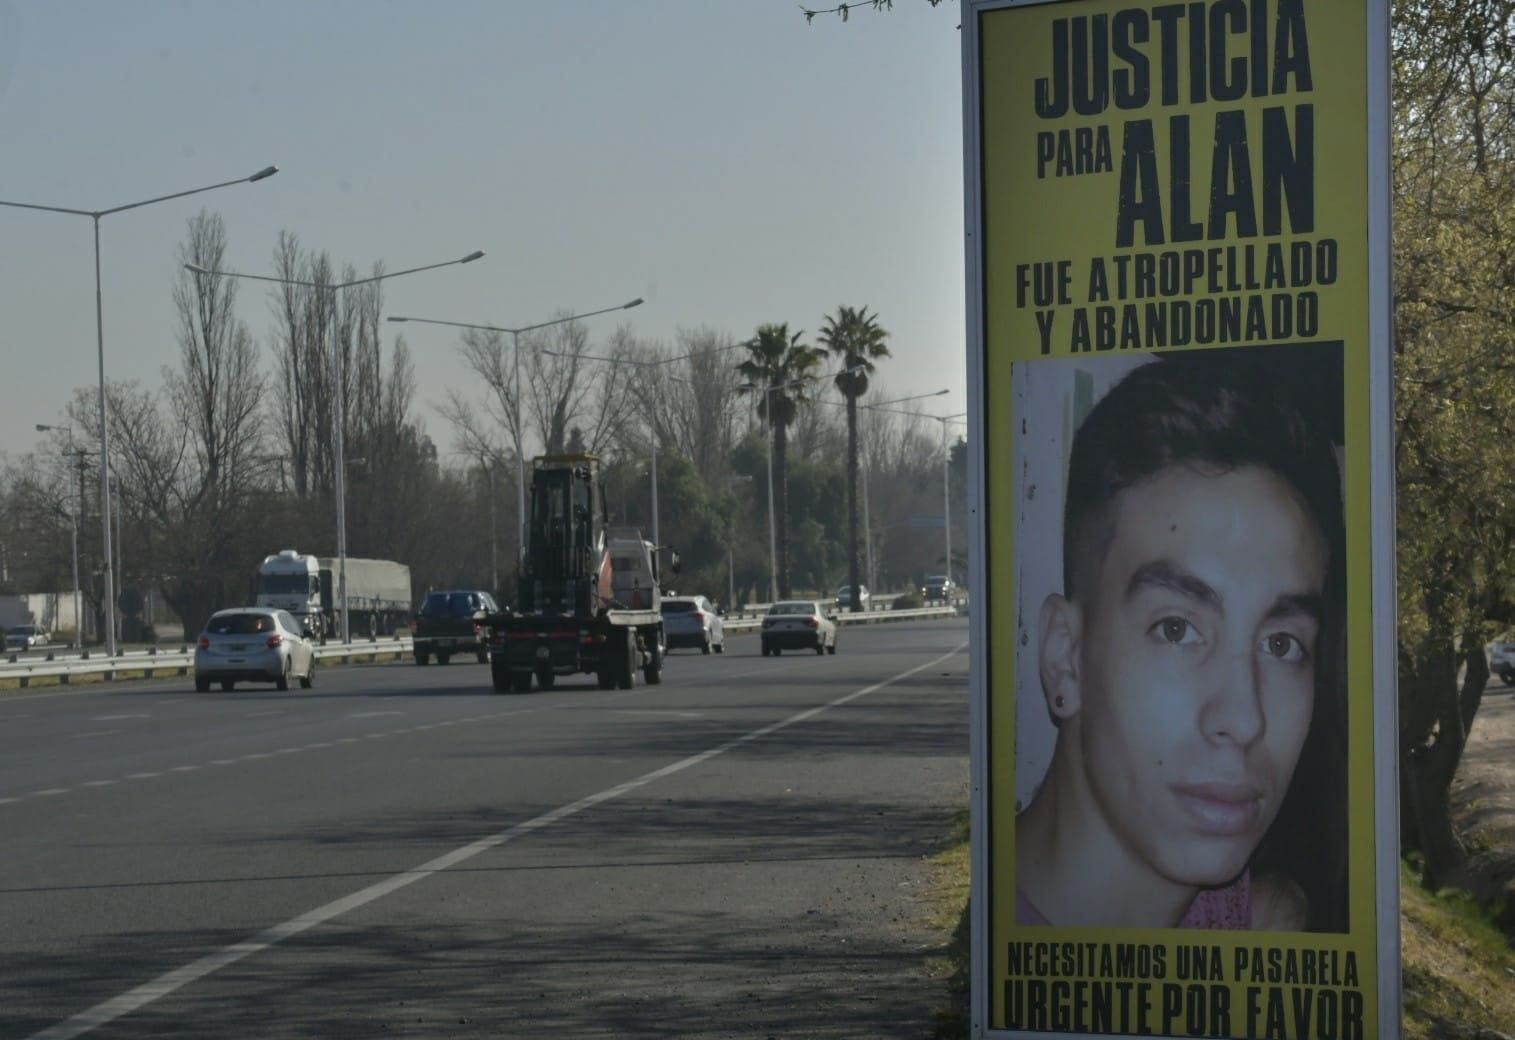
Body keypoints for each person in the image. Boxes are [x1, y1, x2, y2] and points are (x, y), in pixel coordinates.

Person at [1015, 347, 1347, 932]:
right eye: (1177, 629)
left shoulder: (1268, 931)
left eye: (1282, 644)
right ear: (1065, 658)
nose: (1244, 719)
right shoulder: (993, 988)